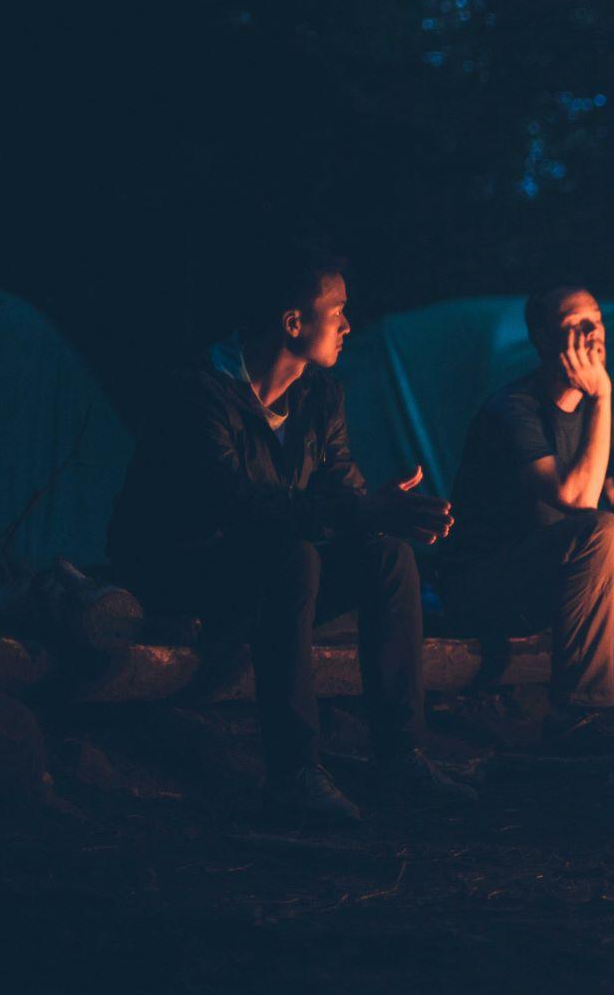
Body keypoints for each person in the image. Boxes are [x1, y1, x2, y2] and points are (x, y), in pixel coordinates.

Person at [108, 247, 473, 822]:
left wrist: (378, 510)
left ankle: (400, 755)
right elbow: (238, 504)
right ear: (293, 322)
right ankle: (294, 772)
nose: (349, 325)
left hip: (265, 575)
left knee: (386, 558)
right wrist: (360, 510)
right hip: (181, 578)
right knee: (292, 557)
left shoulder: (319, 394)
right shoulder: (199, 393)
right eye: (338, 311)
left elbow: (337, 487)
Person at [439, 286, 614, 743]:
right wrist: (602, 396)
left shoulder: (596, 416)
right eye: (577, 324)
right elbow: (577, 497)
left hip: (574, 582)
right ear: (543, 339)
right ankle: (582, 712)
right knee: (600, 529)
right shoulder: (512, 410)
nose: (594, 333)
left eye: (597, 320)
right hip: (497, 587)